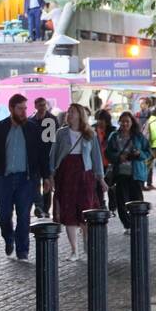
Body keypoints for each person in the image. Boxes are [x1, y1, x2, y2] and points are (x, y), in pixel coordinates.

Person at [0, 93, 50, 261]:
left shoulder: (33, 129)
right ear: (11, 109)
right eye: (20, 108)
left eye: (25, 108)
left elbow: (42, 155)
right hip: (4, 178)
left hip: (26, 179)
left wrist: (46, 177)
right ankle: (9, 237)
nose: (24, 112)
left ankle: (22, 250)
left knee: (24, 216)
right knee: (3, 214)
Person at [49, 103, 108, 260]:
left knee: (85, 209)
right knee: (68, 211)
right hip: (65, 174)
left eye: (73, 112)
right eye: (68, 112)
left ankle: (87, 244)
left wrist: (101, 179)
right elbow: (53, 155)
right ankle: (74, 250)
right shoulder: (61, 133)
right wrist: (51, 176)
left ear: (80, 115)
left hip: (84, 175)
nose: (69, 114)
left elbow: (96, 157)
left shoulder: (90, 134)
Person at [104, 112, 152, 233]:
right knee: (121, 201)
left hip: (136, 173)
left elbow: (148, 152)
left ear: (132, 123)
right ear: (119, 122)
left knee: (137, 200)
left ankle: (139, 223)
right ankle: (128, 225)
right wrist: (118, 157)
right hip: (120, 174)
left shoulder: (138, 136)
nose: (125, 124)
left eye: (127, 121)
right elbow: (108, 153)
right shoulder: (114, 136)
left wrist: (139, 154)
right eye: (123, 121)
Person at [29, 97, 60, 218]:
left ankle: (45, 208)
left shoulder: (51, 120)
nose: (42, 107)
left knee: (47, 181)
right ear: (35, 106)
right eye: (40, 105)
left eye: (44, 105)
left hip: (48, 156)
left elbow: (54, 140)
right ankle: (39, 206)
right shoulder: (31, 120)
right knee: (35, 182)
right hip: (35, 158)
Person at [94, 108, 115, 211]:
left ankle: (112, 207)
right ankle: (101, 204)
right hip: (97, 163)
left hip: (109, 163)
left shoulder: (113, 131)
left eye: (102, 120)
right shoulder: (92, 130)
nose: (99, 122)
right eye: (98, 120)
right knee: (98, 186)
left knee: (111, 186)